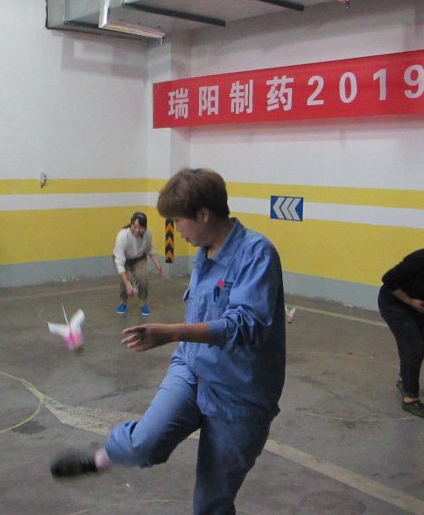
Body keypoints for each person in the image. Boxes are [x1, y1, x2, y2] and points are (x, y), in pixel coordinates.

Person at [50, 168, 286, 515]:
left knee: (211, 501)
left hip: (239, 393)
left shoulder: (256, 255)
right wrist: (181, 340)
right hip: (192, 368)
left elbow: (244, 326)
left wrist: (173, 332)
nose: (176, 230)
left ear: (203, 215)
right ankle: (103, 459)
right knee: (143, 444)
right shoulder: (204, 251)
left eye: (178, 221)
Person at [378, 230, 424, 421]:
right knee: (414, 347)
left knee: (420, 347)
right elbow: (388, 279)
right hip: (393, 303)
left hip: (417, 305)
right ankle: (410, 399)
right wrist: (411, 301)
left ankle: (405, 380)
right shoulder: (419, 259)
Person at [113, 211, 163, 316]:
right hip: (124, 260)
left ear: (145, 227)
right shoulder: (122, 236)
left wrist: (157, 264)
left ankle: (143, 304)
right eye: (134, 226)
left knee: (142, 278)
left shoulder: (148, 234)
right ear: (130, 224)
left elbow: (150, 250)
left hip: (139, 258)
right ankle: (123, 303)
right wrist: (127, 283)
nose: (137, 230)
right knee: (126, 279)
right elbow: (119, 262)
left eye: (140, 227)